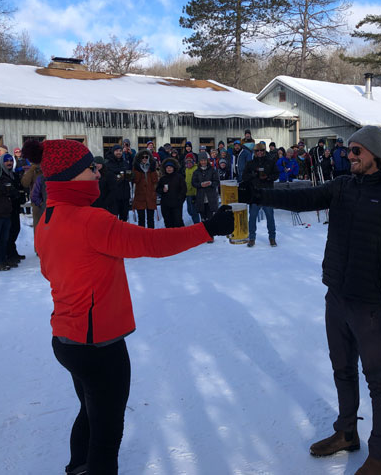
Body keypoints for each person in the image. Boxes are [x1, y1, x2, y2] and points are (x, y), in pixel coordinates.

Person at [20, 138, 233, 475]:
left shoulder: (47, 218)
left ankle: (78, 468)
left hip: (66, 338)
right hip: (98, 345)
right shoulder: (91, 220)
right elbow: (150, 243)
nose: (96, 172)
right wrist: (207, 229)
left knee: (89, 413)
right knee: (106, 433)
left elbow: (50, 271)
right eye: (89, 168)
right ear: (71, 176)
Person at [238, 125, 381, 475]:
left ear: (376, 154)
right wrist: (260, 194)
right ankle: (346, 432)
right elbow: (303, 198)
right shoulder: (342, 187)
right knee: (341, 369)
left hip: (371, 303)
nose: (349, 156)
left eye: (356, 151)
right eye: (347, 151)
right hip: (337, 296)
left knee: (377, 378)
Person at [242, 141, 278, 247]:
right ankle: (252, 238)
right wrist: (253, 175)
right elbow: (244, 177)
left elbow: (276, 174)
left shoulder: (270, 162)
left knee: (270, 217)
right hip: (255, 194)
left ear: (264, 151)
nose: (259, 152)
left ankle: (272, 238)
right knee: (252, 217)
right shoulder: (250, 163)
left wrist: (268, 177)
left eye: (261, 150)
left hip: (267, 194)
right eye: (257, 151)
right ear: (254, 152)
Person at [1, 154, 26, 267]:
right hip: (6, 208)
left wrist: (21, 195)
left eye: (11, 161)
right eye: (6, 161)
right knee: (9, 232)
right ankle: (8, 255)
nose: (9, 163)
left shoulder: (14, 174)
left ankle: (13, 251)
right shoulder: (1, 175)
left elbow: (19, 187)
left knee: (16, 229)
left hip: (15, 207)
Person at [191, 152, 220, 241]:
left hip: (210, 197)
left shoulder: (212, 170)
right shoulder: (196, 172)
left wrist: (211, 183)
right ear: (199, 161)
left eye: (204, 160)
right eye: (201, 160)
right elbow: (193, 183)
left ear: (207, 161)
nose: (203, 162)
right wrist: (200, 184)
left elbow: (217, 182)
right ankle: (203, 235)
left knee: (210, 217)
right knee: (203, 218)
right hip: (201, 197)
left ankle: (210, 236)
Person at [131, 149, 159, 229]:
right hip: (140, 197)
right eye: (142, 157)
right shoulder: (136, 168)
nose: (144, 159)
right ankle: (142, 237)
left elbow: (155, 180)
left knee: (150, 219)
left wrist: (153, 169)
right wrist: (138, 170)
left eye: (146, 157)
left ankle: (151, 236)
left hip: (150, 196)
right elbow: (135, 180)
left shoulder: (152, 167)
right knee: (141, 219)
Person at [157, 158, 186, 227]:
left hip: (176, 204)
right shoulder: (163, 178)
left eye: (170, 167)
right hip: (165, 204)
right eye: (167, 168)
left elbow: (184, 189)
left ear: (173, 168)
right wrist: (162, 190)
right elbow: (158, 189)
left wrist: (180, 200)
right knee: (168, 222)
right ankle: (169, 237)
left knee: (178, 221)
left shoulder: (179, 177)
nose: (169, 169)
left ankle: (180, 236)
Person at [105, 145, 131, 222]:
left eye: (120, 151)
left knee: (124, 220)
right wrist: (120, 176)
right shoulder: (108, 164)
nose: (118, 152)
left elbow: (129, 176)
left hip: (125, 195)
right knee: (113, 220)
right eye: (116, 151)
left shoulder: (125, 163)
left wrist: (130, 175)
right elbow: (109, 179)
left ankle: (123, 234)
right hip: (114, 197)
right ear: (113, 152)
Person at [183, 154, 200, 224]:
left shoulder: (196, 168)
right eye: (187, 161)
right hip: (188, 193)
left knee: (194, 210)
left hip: (194, 193)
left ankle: (197, 224)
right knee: (189, 210)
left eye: (190, 161)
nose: (189, 163)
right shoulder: (186, 169)